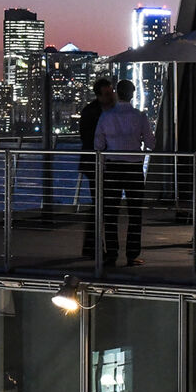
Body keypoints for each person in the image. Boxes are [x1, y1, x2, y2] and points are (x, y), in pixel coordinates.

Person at [94, 79, 153, 268]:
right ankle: (132, 255)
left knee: (110, 213)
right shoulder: (140, 116)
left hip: (112, 168)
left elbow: (98, 145)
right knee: (135, 213)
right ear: (133, 94)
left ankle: (111, 254)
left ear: (117, 94)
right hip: (134, 168)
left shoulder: (106, 117)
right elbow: (152, 143)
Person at [77, 77, 114, 261]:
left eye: (111, 92)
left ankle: (93, 245)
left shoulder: (93, 111)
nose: (111, 96)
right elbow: (88, 137)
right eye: (107, 93)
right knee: (101, 204)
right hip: (95, 164)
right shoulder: (93, 112)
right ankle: (94, 246)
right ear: (99, 95)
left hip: (96, 163)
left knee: (99, 204)